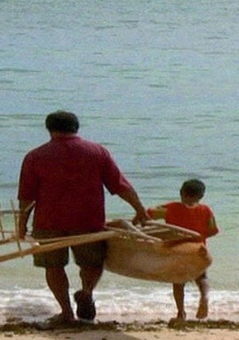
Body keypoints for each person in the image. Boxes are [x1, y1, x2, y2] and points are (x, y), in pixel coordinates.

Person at [17, 111, 149, 325]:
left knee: (54, 266)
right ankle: (87, 291)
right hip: (88, 220)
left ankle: (66, 312)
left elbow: (27, 198)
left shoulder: (35, 156)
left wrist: (21, 226)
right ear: (76, 128)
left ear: (49, 129)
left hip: (49, 222)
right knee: (92, 263)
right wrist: (139, 209)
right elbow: (119, 184)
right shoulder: (97, 152)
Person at [148, 178, 219, 321]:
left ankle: (181, 313)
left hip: (178, 251)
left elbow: (148, 214)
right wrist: (200, 236)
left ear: (181, 192)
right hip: (198, 250)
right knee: (202, 278)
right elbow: (213, 230)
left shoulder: (170, 208)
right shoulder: (206, 210)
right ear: (201, 196)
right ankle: (204, 297)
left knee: (178, 282)